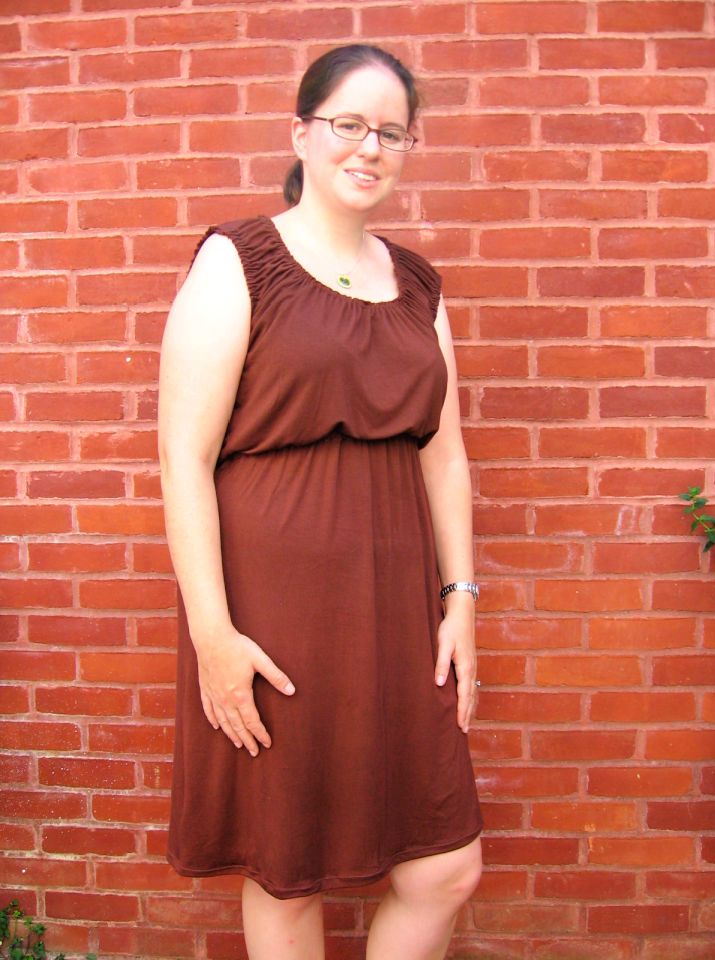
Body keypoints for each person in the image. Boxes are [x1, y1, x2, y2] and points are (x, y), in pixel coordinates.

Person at [158, 43, 483, 960]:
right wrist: (213, 637)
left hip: (396, 615)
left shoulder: (417, 287)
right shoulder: (239, 259)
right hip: (275, 618)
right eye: (348, 123)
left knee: (444, 866)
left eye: (392, 131)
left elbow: (444, 454)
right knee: (286, 866)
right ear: (302, 132)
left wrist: (462, 600)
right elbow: (183, 459)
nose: (369, 146)